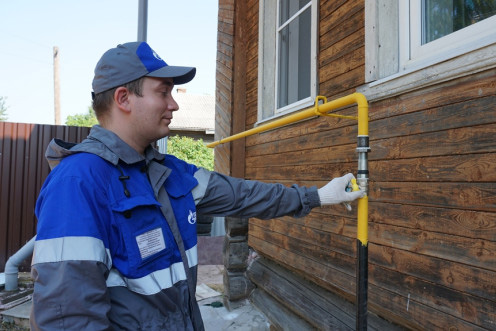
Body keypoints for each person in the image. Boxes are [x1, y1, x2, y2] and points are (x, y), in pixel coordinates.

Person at [30, 41, 364, 330]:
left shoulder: (168, 172)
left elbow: (244, 195)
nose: (173, 104)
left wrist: (318, 196)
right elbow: (67, 319)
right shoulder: (78, 183)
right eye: (163, 92)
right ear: (123, 98)